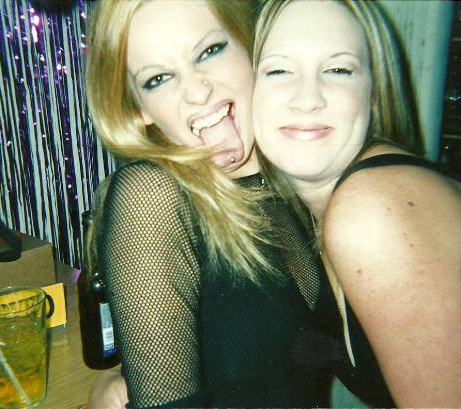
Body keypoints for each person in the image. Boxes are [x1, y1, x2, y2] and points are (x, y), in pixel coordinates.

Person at [84, 0, 332, 407]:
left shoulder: (297, 175)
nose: (197, 92)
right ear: (139, 109)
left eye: (209, 51)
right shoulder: (150, 197)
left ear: (250, 46)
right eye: (159, 78)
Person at [251, 0, 461, 407]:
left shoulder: (373, 208)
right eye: (278, 70)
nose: (308, 99)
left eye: (338, 70)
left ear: (374, 93)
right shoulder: (302, 217)